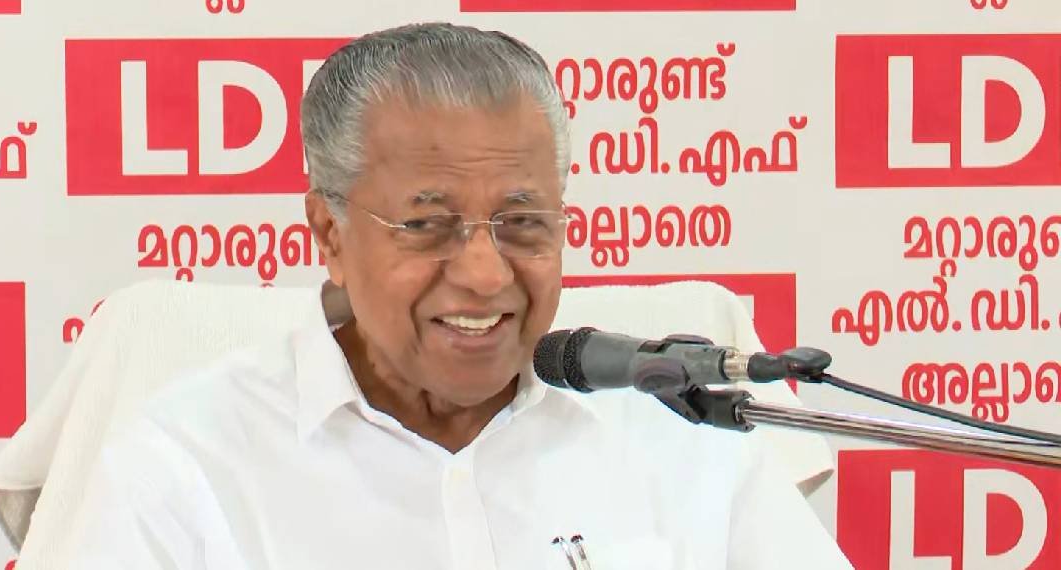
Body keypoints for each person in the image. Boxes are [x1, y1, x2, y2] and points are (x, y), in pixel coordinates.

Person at [64, 22, 853, 569]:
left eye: (522, 222)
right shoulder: (182, 466)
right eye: (427, 225)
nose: (484, 273)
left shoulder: (678, 427)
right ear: (330, 234)